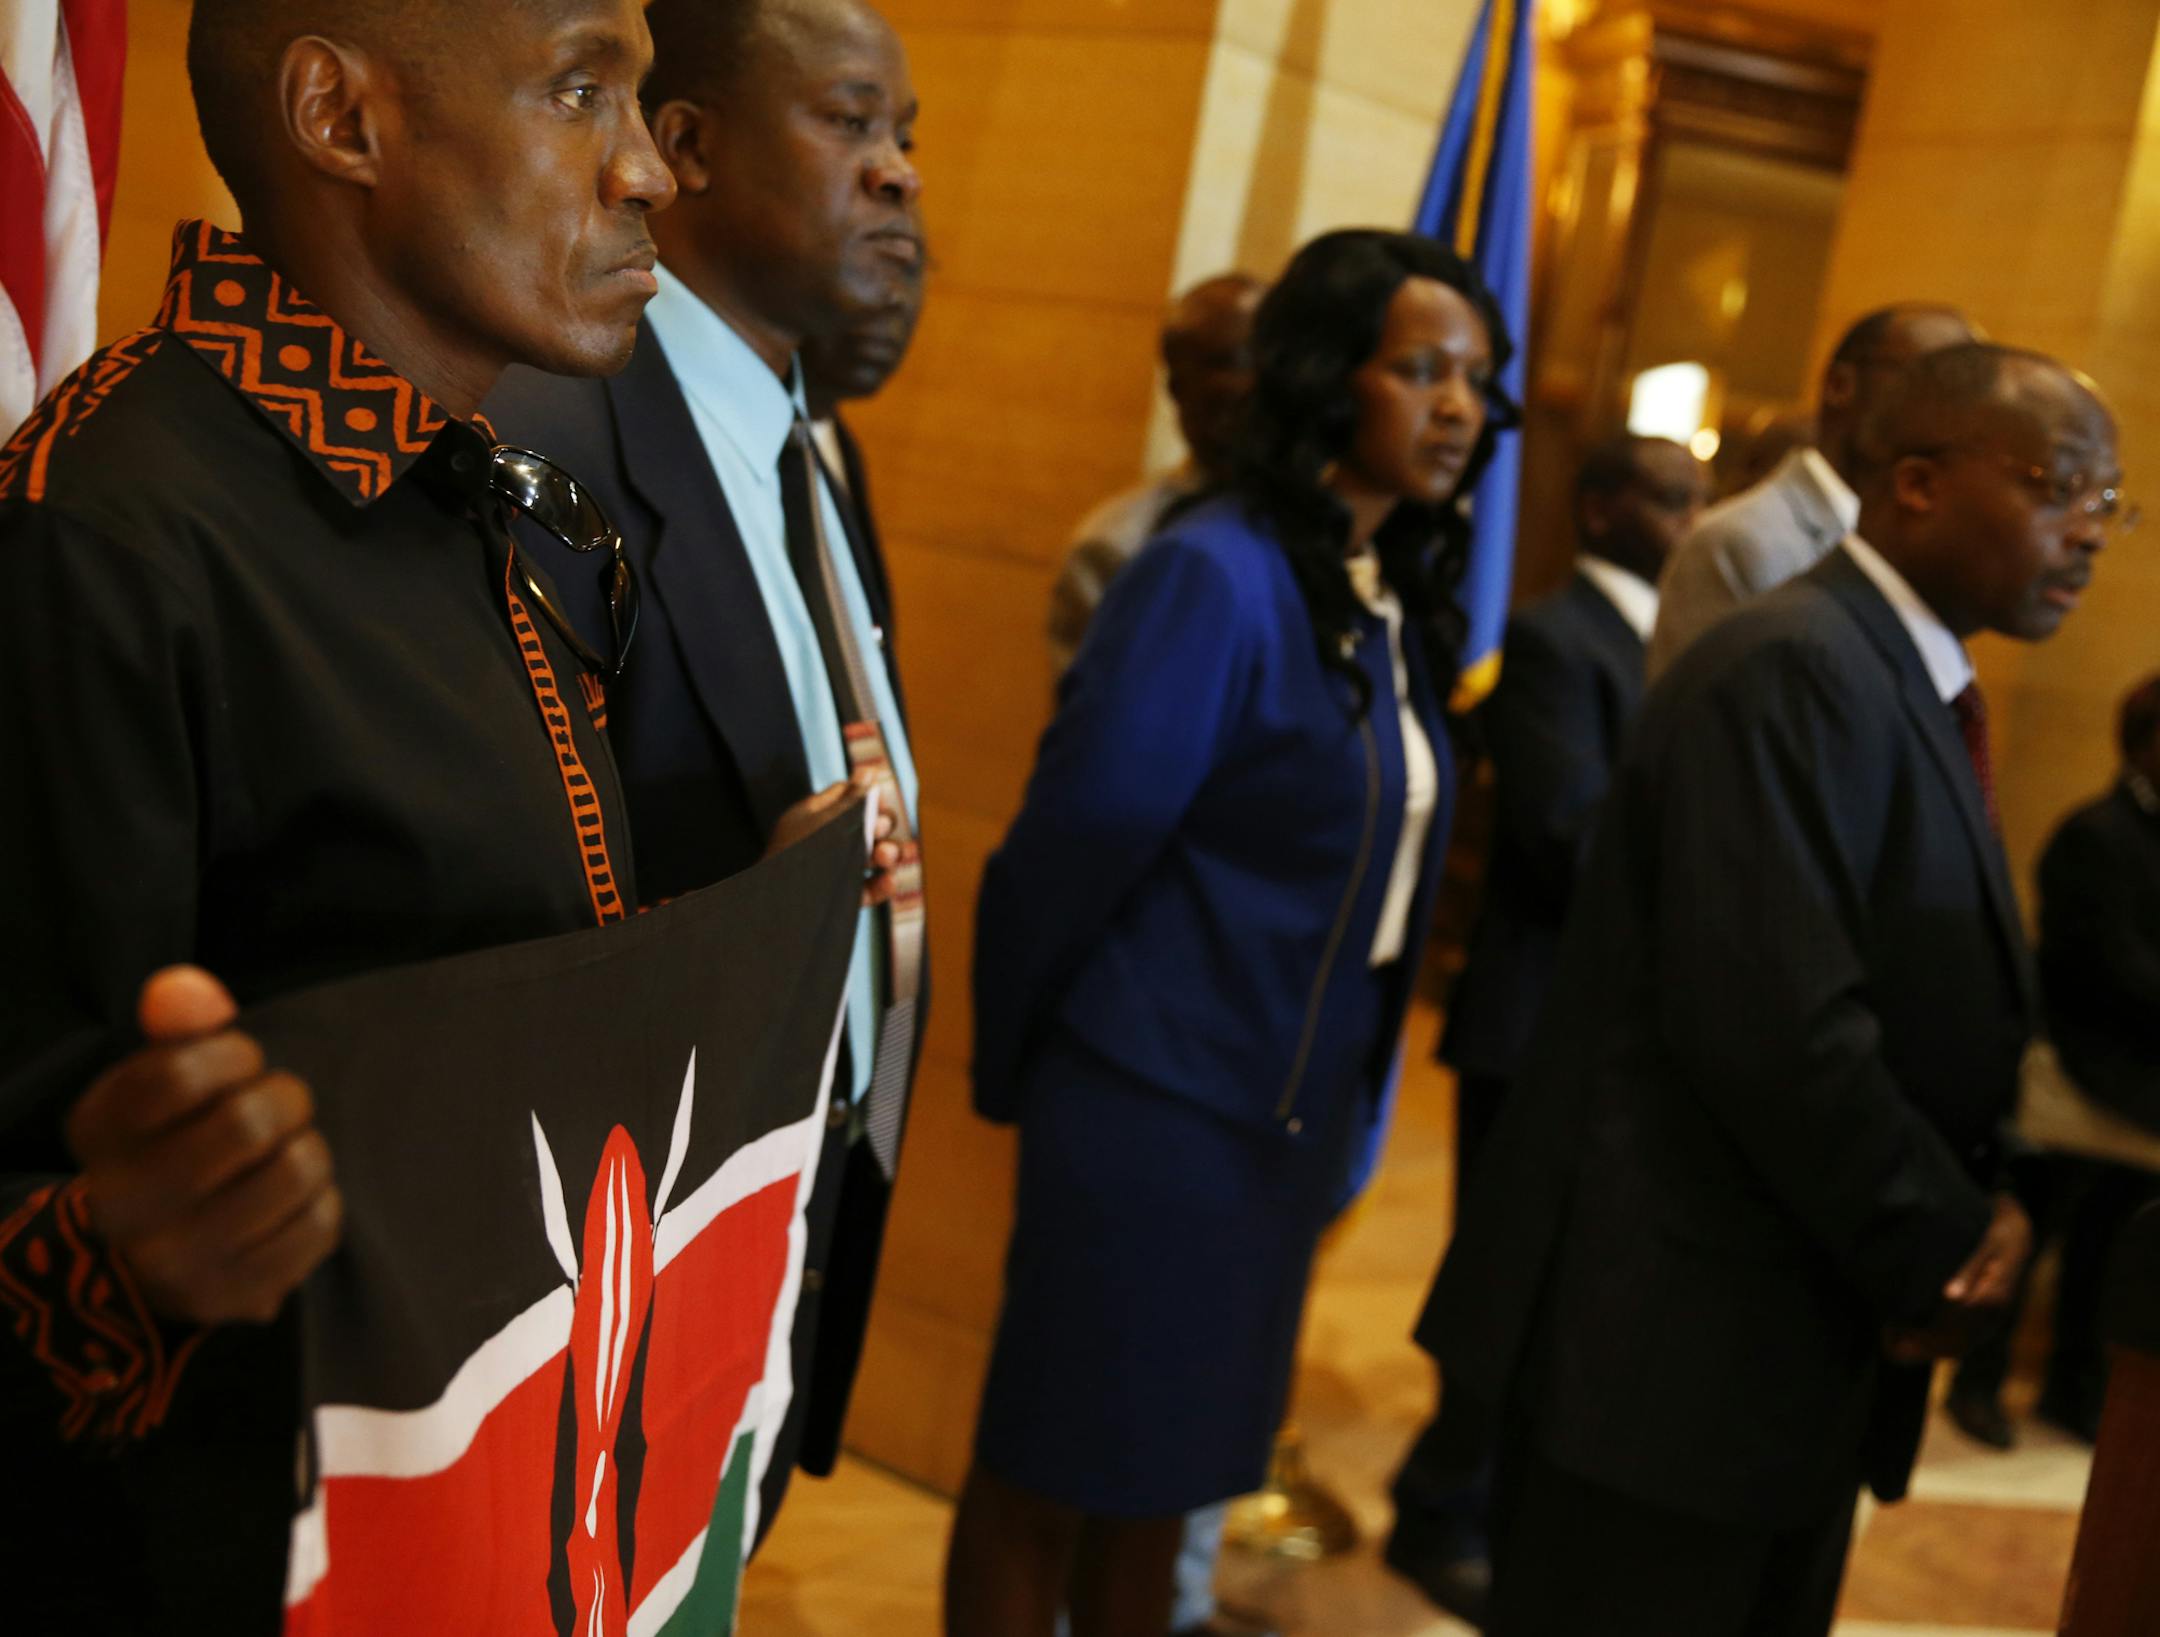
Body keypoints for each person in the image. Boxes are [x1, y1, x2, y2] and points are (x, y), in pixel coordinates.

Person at [0, 0, 677, 1626]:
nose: (650, 168)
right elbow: (46, 1201)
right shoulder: (104, 538)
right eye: (582, 88)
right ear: (341, 119)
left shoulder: (455, 477)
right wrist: (134, 1249)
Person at [1423, 342, 2126, 1637]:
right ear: (1914, 483)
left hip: (1778, 1345)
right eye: (2060, 486)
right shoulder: (1792, 664)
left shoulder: (1900, 673)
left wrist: (2001, 1196)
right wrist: (1944, 1248)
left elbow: (1937, 994)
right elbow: (1778, 1028)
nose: (2090, 533)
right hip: (1669, 1362)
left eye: (2111, 502)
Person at [944, 228, 1516, 1637]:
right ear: (1331, 376)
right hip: (1154, 1109)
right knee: (1051, 1471)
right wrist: (1024, 1062)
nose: (1456, 407)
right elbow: (1070, 846)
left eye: (1478, 381)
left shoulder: (1380, 592)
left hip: (1280, 1123)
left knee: (1176, 1480)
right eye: (1421, 369)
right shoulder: (1215, 573)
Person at [484, 0, 925, 1537]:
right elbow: (515, 916)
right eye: (852, 123)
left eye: (907, 140)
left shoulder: (819, 443)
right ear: (685, 148)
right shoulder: (556, 428)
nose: (897, 176)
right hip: (626, 1254)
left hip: (798, 1195)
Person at [1386, 432, 1706, 1622]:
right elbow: (1564, 830)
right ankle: (1437, 1501)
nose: (1689, 520)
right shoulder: (1554, 637)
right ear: (1603, 505)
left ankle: (1494, 1497)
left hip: (1613, 1030)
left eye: (1699, 500)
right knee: (1506, 1274)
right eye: (1670, 498)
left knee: (1564, 1287)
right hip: (1531, 1019)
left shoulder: (1679, 639)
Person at [1946, 673, 2160, 1448]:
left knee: (2109, 1252)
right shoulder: (2096, 831)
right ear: (2144, 741)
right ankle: (1977, 1382)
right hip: (2075, 1072)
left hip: (2138, 1085)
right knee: (2027, 1234)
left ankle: (2075, 1392)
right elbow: (2106, 965)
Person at [1647, 303, 1974, 679]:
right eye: (1929, 382)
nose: (1952, 414)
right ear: (1840, 386)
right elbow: (1695, 724)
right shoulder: (1737, 541)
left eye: (1966, 394)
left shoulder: (1917, 547)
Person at [1046, 271, 1264, 675]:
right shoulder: (1117, 543)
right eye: (1235, 362)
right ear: (1179, 387)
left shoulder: (1329, 517)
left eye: (1272, 358)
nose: (1256, 383)